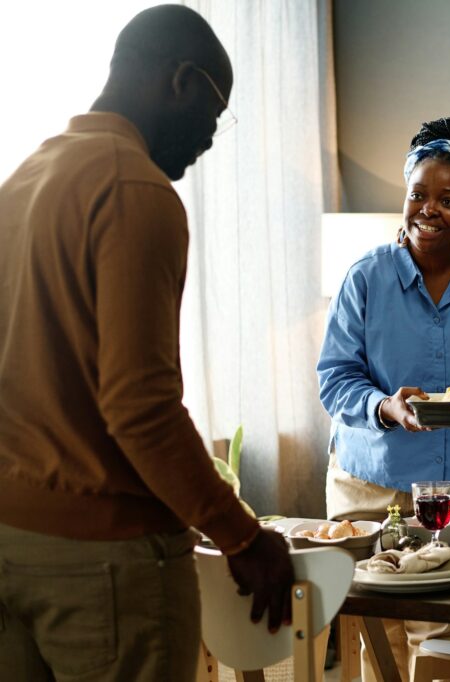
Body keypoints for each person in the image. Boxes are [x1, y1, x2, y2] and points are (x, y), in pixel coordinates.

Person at [0, 6, 293, 680]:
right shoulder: (137, 189)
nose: (210, 142)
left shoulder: (23, 182)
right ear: (179, 80)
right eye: (215, 119)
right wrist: (242, 535)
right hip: (102, 563)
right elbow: (139, 404)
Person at [317, 117, 450, 680]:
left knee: (448, 648)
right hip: (370, 494)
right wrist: (387, 405)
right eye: (418, 194)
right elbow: (334, 379)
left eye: (449, 199)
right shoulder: (364, 279)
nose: (428, 210)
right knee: (377, 651)